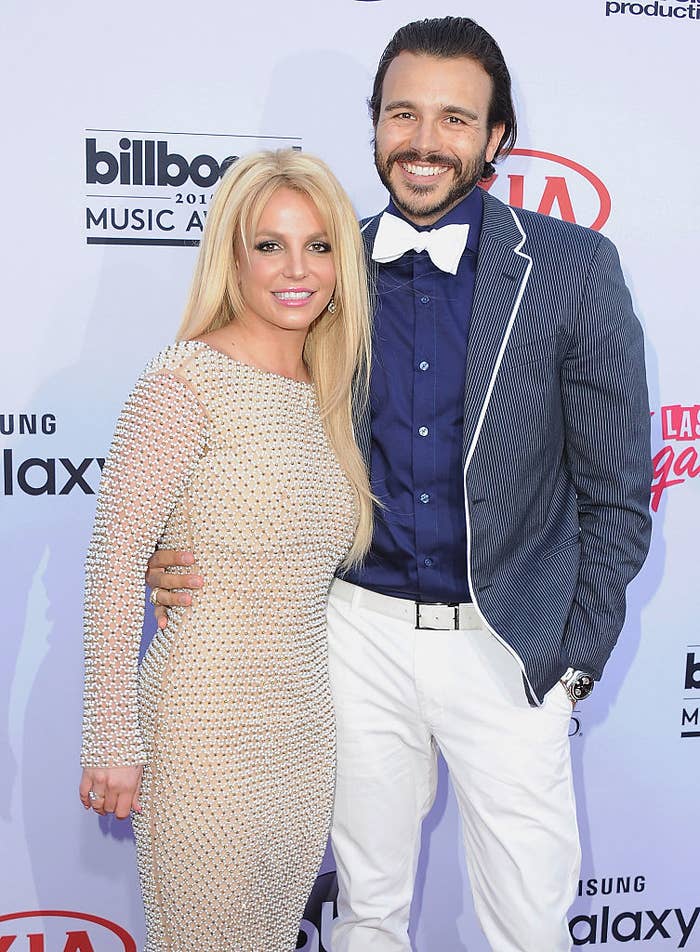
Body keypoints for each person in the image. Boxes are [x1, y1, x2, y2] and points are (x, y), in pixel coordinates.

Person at [145, 16, 652, 952]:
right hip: (353, 640)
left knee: (528, 925)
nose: (425, 141)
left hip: (509, 646)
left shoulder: (574, 271)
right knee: (368, 912)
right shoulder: (319, 270)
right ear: (374, 125)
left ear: (497, 137)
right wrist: (170, 554)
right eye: (403, 114)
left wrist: (572, 663)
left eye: (456, 119)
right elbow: (241, 426)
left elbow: (618, 490)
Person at [78, 148, 374, 952]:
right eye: (269, 244)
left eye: (317, 246)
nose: (296, 269)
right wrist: (111, 740)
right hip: (203, 725)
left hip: (304, 732)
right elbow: (113, 565)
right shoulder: (184, 382)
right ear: (231, 255)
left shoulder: (329, 394)